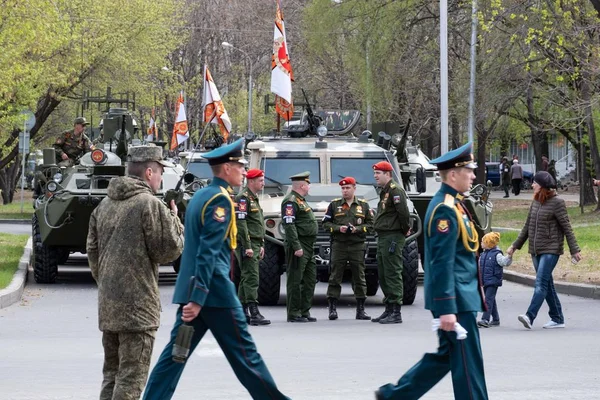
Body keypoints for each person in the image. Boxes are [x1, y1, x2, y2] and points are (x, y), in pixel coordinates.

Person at [142, 139, 289, 400]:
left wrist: (193, 297)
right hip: (214, 294)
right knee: (247, 358)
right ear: (226, 168)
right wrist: (199, 299)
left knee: (175, 356)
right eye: (240, 165)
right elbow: (207, 253)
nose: (244, 171)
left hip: (195, 294)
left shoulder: (201, 195)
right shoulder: (220, 201)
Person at [375, 142, 488, 400]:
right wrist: (447, 307)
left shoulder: (455, 204)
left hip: (461, 297)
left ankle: (395, 396)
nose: (472, 175)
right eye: (468, 170)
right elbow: (441, 262)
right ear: (453, 174)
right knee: (468, 365)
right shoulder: (445, 210)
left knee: (448, 356)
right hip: (456, 300)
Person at [86, 145, 184, 400]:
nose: (161, 177)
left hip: (109, 306)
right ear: (149, 171)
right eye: (160, 171)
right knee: (131, 380)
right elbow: (168, 251)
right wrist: (174, 219)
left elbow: (92, 252)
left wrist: (109, 283)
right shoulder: (149, 204)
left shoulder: (104, 205)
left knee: (112, 375)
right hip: (139, 310)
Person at [508, 171, 582, 330]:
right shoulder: (535, 202)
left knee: (540, 283)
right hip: (535, 250)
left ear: (542, 186)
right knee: (547, 284)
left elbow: (567, 228)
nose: (532, 185)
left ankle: (529, 316)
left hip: (551, 249)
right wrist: (514, 246)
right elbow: (527, 227)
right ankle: (557, 318)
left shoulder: (557, 203)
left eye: (535, 183)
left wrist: (574, 250)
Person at [322, 176, 374, 321]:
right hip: (339, 245)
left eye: (348, 188)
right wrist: (339, 228)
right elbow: (325, 224)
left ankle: (361, 310)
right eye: (343, 188)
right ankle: (332, 309)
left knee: (359, 277)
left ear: (354, 188)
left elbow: (371, 226)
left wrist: (357, 229)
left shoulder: (363, 206)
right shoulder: (334, 205)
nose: (345, 191)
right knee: (335, 277)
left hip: (357, 245)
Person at [372, 161, 410, 324]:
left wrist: (404, 229)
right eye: (375, 173)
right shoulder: (385, 191)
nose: (375, 176)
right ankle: (388, 309)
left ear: (387, 174)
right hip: (384, 236)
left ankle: (396, 311)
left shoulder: (395, 190)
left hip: (393, 236)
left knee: (393, 272)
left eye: (378, 173)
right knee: (384, 273)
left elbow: (403, 213)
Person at [281, 171, 319, 323]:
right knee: (296, 280)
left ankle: (305, 310)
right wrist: (296, 246)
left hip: (308, 245)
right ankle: (294, 313)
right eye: (308, 185)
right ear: (303, 186)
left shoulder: (301, 200)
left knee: (309, 279)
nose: (309, 188)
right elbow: (289, 225)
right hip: (299, 244)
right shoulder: (290, 201)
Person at [235, 168, 270, 326]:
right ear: (251, 181)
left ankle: (242, 312)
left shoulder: (253, 198)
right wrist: (248, 246)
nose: (263, 183)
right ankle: (254, 312)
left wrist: (261, 243)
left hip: (255, 242)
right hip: (247, 243)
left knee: (246, 278)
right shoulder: (243, 198)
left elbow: (257, 223)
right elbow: (241, 223)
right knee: (252, 278)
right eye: (261, 180)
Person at [477, 232, 512, 328]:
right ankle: (496, 319)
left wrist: (509, 256)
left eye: (483, 242)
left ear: (489, 243)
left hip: (493, 281)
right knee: (491, 299)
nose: (481, 243)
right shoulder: (483, 254)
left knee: (488, 300)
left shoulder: (497, 254)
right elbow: (479, 266)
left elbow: (504, 262)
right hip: (485, 280)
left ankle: (485, 319)